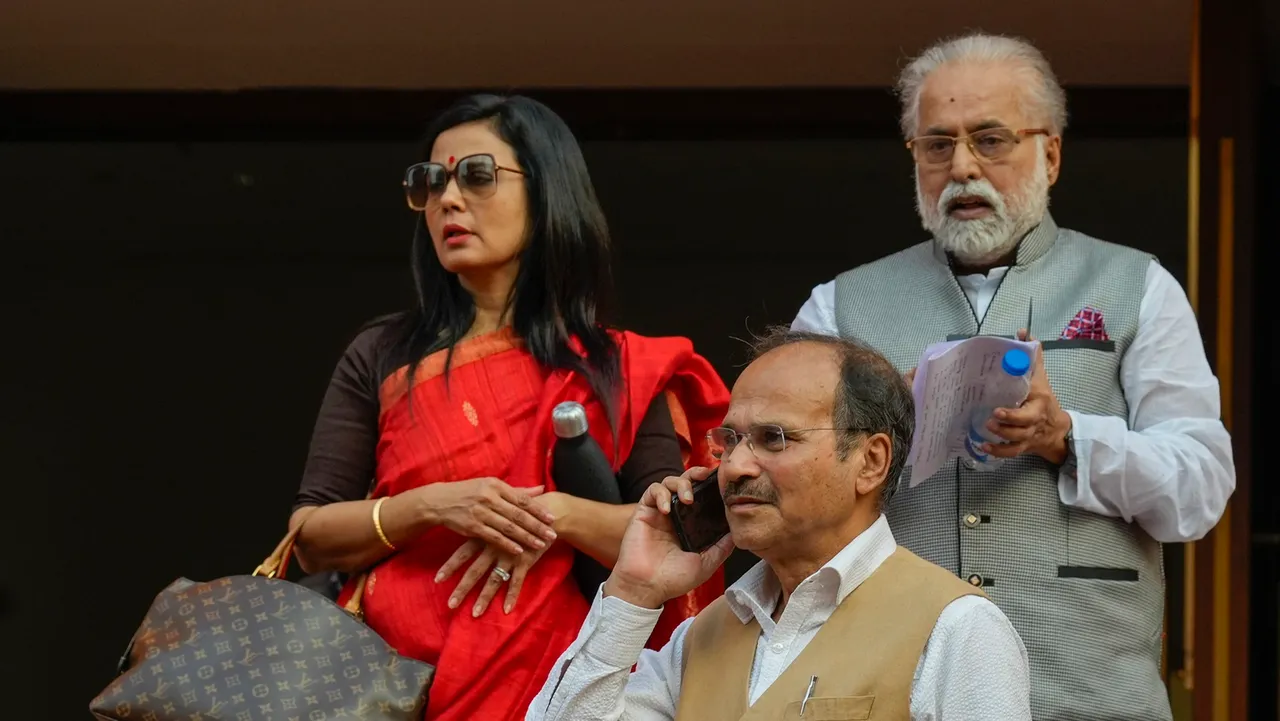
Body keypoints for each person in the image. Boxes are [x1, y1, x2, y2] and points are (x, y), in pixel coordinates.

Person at [791, 32, 1235, 721]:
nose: (962, 167)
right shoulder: (839, 304)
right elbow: (785, 483)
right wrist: (881, 426)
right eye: (936, 145)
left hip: (1086, 697)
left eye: (990, 140)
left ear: (1049, 153)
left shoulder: (1135, 285)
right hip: (893, 691)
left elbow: (1200, 488)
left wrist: (1069, 438)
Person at [289, 94, 730, 721]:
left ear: (547, 190)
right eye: (430, 182)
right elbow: (309, 537)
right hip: (391, 687)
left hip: (564, 689)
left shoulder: (618, 367)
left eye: (476, 174)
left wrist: (547, 512)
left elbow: (671, 536)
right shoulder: (382, 353)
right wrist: (435, 505)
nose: (447, 199)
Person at [526, 328, 1032, 721]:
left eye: (774, 438)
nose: (734, 466)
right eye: (730, 440)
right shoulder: (698, 640)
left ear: (871, 462)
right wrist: (632, 592)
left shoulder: (955, 628)